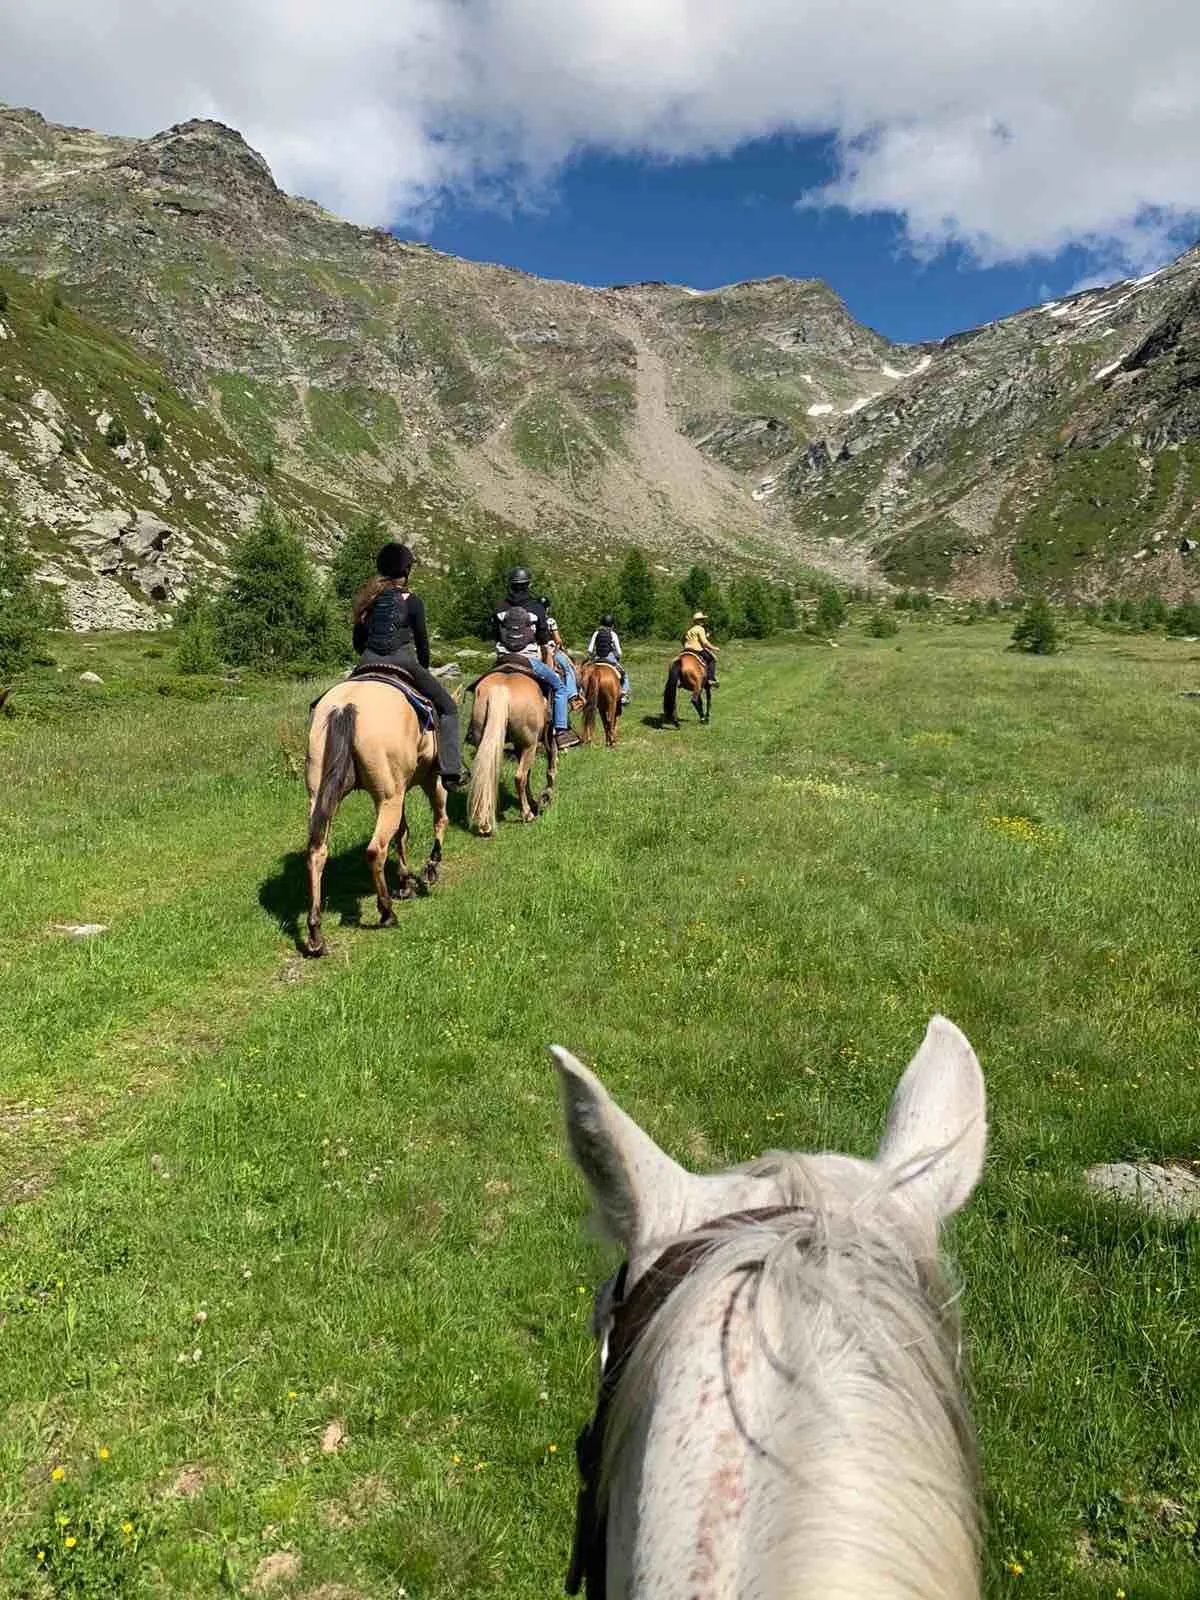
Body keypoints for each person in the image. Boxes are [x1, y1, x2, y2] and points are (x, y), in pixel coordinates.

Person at [352, 541, 464, 785]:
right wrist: (422, 669)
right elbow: (423, 645)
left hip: (366, 661)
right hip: (403, 661)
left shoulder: (367, 599)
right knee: (448, 708)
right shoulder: (412, 600)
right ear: (405, 571)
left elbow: (358, 642)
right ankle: (451, 769)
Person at [493, 568, 578, 749]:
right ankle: (561, 732)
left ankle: (474, 730)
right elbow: (543, 638)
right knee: (559, 687)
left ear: (511, 585)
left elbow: (494, 634)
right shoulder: (537, 608)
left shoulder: (499, 607)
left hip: (502, 659)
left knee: (481, 685)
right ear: (528, 585)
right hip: (528, 660)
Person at [540, 594, 579, 705]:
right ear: (547, 608)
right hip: (550, 650)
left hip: (534, 650)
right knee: (568, 667)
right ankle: (572, 697)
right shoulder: (550, 621)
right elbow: (558, 640)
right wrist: (561, 646)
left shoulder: (531, 619)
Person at [586, 612, 630, 703]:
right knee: (624, 675)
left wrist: (592, 657)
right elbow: (619, 652)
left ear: (602, 623)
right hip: (609, 658)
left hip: (597, 658)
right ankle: (624, 695)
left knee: (584, 674)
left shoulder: (596, 633)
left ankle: (582, 693)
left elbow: (590, 650)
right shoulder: (613, 634)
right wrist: (617, 656)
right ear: (612, 625)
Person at [682, 611, 720, 686]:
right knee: (712, 659)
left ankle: (682, 681)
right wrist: (714, 648)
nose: (703, 621)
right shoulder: (700, 629)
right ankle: (710, 679)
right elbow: (704, 642)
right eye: (701, 619)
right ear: (697, 621)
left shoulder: (689, 630)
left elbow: (683, 640)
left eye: (703, 619)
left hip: (686, 650)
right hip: (697, 649)